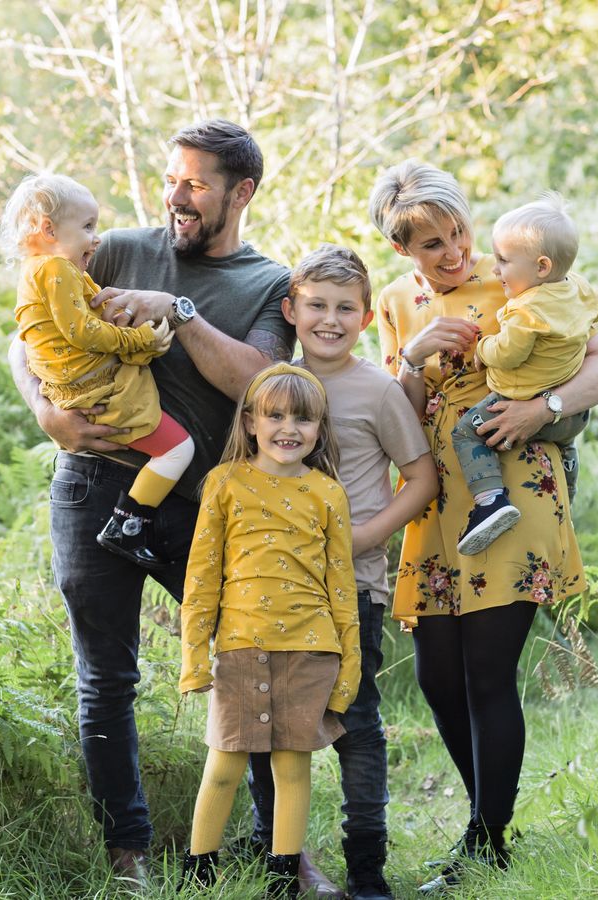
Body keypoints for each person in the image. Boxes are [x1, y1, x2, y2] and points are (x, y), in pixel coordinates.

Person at [9, 120, 352, 890]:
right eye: (172, 180)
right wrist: (45, 410)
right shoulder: (115, 249)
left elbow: (260, 381)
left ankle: (284, 854)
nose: (177, 197)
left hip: (202, 501)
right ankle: (127, 854)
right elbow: (26, 331)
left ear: (242, 192)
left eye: (196, 183)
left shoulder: (268, 283)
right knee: (106, 679)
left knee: (256, 666)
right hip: (94, 486)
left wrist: (179, 310)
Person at [367, 160, 598, 892]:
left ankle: (484, 841)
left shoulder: (519, 273)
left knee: (485, 671)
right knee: (437, 676)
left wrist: (541, 409)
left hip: (514, 485)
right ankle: (486, 830)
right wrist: (414, 357)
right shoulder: (395, 302)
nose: (454, 251)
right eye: (432, 244)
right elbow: (398, 418)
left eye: (458, 232)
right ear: (401, 249)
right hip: (433, 497)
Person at [240, 245, 437, 899]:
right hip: (275, 589)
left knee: (355, 723)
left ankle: (367, 870)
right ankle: (280, 865)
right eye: (317, 306)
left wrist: (368, 537)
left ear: (366, 317)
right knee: (269, 726)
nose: (330, 319)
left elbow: (420, 477)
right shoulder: (272, 388)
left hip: (352, 588)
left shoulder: (378, 390)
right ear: (291, 311)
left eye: (345, 308)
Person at [179, 363, 360, 898]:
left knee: (292, 769)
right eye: (275, 415)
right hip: (240, 647)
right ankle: (198, 875)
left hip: (311, 650)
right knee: (223, 766)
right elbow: (202, 576)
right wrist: (194, 659)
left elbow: (342, 587)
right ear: (251, 422)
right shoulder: (225, 482)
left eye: (303, 419)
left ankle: (283, 882)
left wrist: (348, 673)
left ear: (320, 428)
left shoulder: (328, 493)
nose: (289, 428)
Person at [1, 172, 193, 568]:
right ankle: (128, 524)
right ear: (49, 230)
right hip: (97, 390)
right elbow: (83, 332)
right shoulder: (55, 269)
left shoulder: (42, 270)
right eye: (88, 227)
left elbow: (83, 317)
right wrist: (137, 340)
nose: (97, 238)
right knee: (178, 450)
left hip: (81, 387)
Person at [450, 192, 598, 555]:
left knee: (467, 433)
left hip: (519, 402)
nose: (495, 270)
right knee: (565, 443)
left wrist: (482, 348)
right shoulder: (578, 289)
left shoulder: (526, 312)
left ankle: (490, 501)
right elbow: (595, 315)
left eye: (504, 261)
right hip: (572, 413)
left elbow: (508, 353)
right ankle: (568, 485)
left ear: (542, 267)